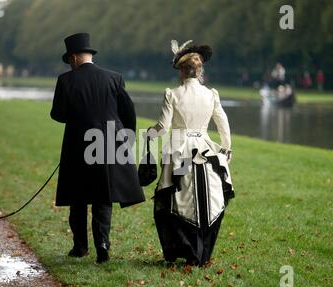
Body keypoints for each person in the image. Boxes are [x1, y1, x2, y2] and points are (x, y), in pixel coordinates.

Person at [50, 33, 145, 264]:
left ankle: (80, 247)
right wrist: (126, 137)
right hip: (108, 144)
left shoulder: (66, 81)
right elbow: (128, 111)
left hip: (77, 145)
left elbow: (58, 114)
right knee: (103, 196)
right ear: (89, 55)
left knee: (78, 197)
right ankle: (102, 244)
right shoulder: (114, 78)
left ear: (73, 58)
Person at [145, 40, 235, 266]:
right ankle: (201, 251)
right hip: (205, 150)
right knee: (207, 199)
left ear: (182, 71)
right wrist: (226, 148)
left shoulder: (172, 94)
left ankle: (181, 249)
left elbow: (163, 127)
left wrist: (149, 134)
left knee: (176, 198)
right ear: (199, 70)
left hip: (180, 152)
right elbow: (223, 123)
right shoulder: (211, 94)